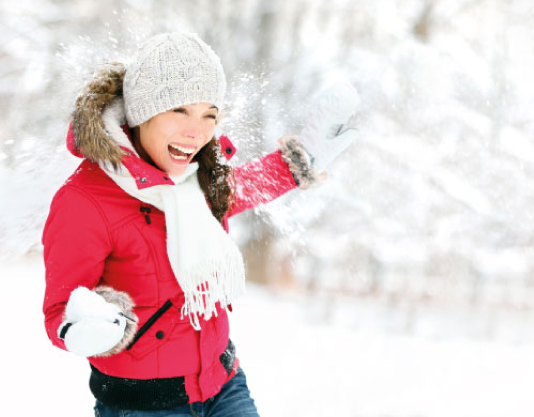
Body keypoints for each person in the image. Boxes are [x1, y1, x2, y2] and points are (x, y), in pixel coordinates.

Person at [42, 32, 359, 416]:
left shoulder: (200, 176)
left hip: (223, 386)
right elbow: (60, 312)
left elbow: (242, 187)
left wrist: (299, 160)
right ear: (143, 111)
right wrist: (95, 325)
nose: (197, 132)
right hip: (144, 407)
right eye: (180, 110)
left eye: (209, 114)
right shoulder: (85, 201)